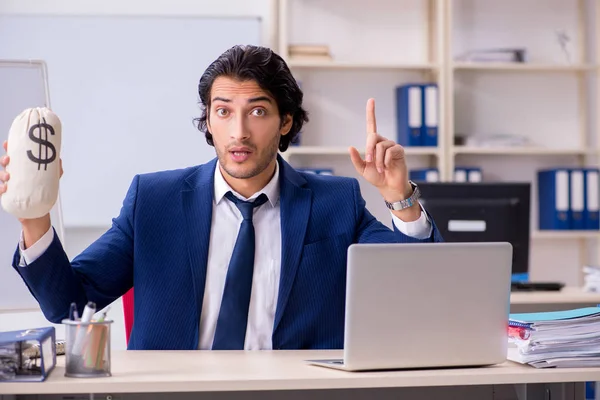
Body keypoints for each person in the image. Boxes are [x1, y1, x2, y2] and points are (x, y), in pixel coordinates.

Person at [0, 44, 443, 351]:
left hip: (296, 395)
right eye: (223, 111)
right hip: (179, 396)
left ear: (286, 122)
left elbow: (416, 289)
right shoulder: (153, 200)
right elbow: (69, 304)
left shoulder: (336, 201)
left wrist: (398, 197)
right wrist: (34, 217)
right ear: (208, 121)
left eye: (257, 111)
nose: (239, 132)